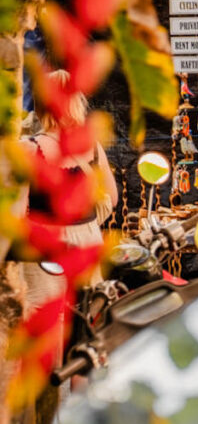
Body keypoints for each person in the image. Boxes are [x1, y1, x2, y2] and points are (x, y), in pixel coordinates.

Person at [21, 69, 118, 317]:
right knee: (89, 317)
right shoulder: (93, 147)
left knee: (46, 323)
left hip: (46, 253)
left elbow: (19, 211)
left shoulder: (29, 149)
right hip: (88, 242)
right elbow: (112, 199)